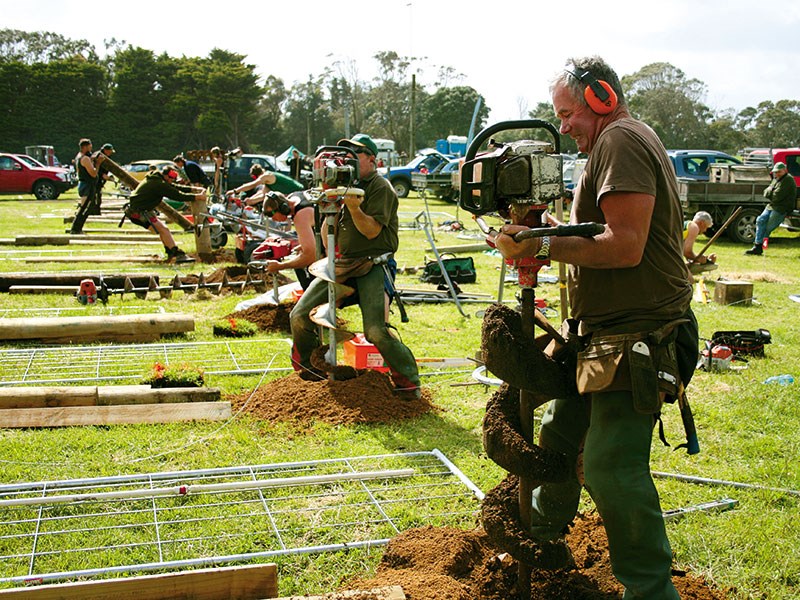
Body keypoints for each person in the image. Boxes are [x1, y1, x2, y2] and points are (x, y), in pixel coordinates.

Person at [494, 56, 695, 599]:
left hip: (639, 335)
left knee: (609, 467)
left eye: (568, 113)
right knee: (559, 438)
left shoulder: (620, 141)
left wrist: (540, 245)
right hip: (603, 334)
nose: (563, 127)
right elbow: (603, 230)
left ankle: (651, 592)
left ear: (602, 98)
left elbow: (626, 246)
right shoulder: (621, 140)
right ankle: (538, 546)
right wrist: (549, 230)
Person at [289, 133, 421, 398]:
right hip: (344, 265)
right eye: (342, 155)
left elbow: (371, 232)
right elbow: (328, 241)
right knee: (300, 315)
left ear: (372, 160)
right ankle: (309, 370)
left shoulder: (380, 187)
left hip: (373, 265)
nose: (344, 161)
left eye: (353, 155)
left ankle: (408, 382)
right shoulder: (341, 187)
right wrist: (331, 206)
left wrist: (354, 207)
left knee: (375, 331)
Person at [124, 165, 205, 263]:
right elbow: (177, 195)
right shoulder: (159, 184)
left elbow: (173, 187)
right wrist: (197, 197)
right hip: (138, 213)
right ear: (166, 176)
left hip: (141, 211)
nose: (173, 180)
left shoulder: (156, 179)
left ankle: (171, 252)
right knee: (164, 230)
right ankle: (176, 254)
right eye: (172, 178)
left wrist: (192, 189)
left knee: (163, 230)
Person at [260, 191, 319, 289]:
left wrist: (280, 266)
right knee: (300, 255)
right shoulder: (294, 196)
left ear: (283, 208)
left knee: (303, 266)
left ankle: (317, 300)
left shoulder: (301, 217)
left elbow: (311, 256)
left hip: (336, 243)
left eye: (272, 214)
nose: (273, 219)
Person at [745, 161, 797, 255]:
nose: (777, 174)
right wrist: (771, 192)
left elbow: (777, 196)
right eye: (775, 172)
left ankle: (760, 246)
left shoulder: (788, 180)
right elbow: (766, 192)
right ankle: (757, 245)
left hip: (782, 207)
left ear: (785, 170)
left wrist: (770, 192)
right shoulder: (776, 179)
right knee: (760, 220)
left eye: (779, 172)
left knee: (768, 227)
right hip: (772, 205)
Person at [70, 138, 105, 234]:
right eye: (89, 147)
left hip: (83, 184)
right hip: (87, 186)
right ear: (84, 147)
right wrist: (98, 164)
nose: (91, 149)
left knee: (85, 207)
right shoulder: (85, 158)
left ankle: (77, 228)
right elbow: (93, 173)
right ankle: (76, 229)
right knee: (85, 208)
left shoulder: (79, 156)